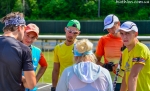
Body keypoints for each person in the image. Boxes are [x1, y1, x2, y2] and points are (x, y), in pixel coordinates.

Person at [0, 12, 36, 91]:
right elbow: (31, 84)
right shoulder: (23, 49)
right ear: (20, 28)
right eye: (24, 28)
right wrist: (22, 79)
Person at [117, 21, 150, 91]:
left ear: (136, 34)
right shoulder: (125, 52)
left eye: (127, 33)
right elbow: (126, 76)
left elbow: (133, 76)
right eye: (121, 33)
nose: (124, 37)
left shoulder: (141, 49)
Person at [95, 14, 124, 91]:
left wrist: (123, 65)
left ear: (118, 24)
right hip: (109, 81)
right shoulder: (103, 40)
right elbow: (95, 60)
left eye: (112, 27)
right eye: (108, 29)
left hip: (127, 81)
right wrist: (105, 66)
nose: (111, 31)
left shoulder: (128, 39)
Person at [51, 19, 81, 91]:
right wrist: (53, 87)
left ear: (78, 33)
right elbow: (55, 70)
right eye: (69, 31)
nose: (71, 35)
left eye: (75, 33)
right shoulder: (58, 48)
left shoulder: (81, 47)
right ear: (65, 29)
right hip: (64, 84)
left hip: (79, 85)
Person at [22, 23, 48, 91]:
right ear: (23, 33)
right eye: (27, 35)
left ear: (36, 38)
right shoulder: (13, 48)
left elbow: (44, 65)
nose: (29, 39)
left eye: (33, 37)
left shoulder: (37, 51)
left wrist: (34, 81)